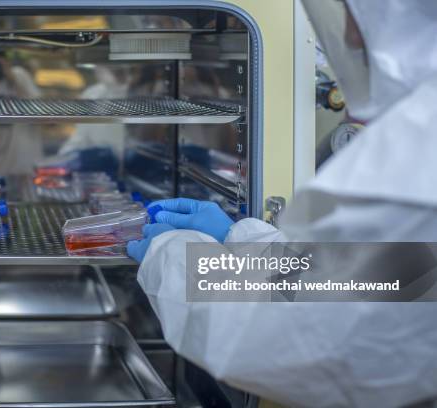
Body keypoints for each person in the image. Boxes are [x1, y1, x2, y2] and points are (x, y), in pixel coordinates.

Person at [127, 1, 437, 407]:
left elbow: (284, 339)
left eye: (351, 18)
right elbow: (349, 279)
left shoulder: (417, 147)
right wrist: (241, 236)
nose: (345, 37)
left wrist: (173, 255)